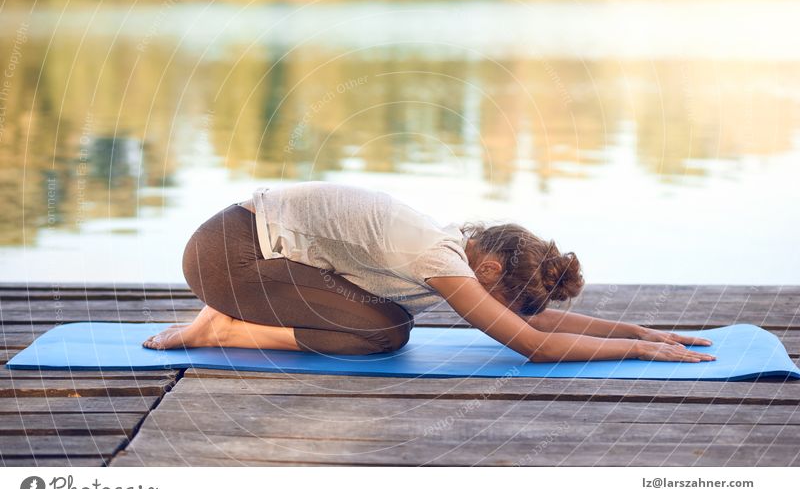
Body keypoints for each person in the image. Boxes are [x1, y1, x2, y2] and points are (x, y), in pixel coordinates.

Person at [142, 181, 715, 363]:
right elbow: (535, 346)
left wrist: (639, 332)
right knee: (381, 334)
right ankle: (220, 327)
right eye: (506, 300)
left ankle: (230, 314)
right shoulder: (437, 258)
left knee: (387, 322)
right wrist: (639, 353)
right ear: (488, 266)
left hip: (256, 250)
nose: (501, 315)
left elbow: (535, 327)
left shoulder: (448, 251)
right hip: (231, 254)